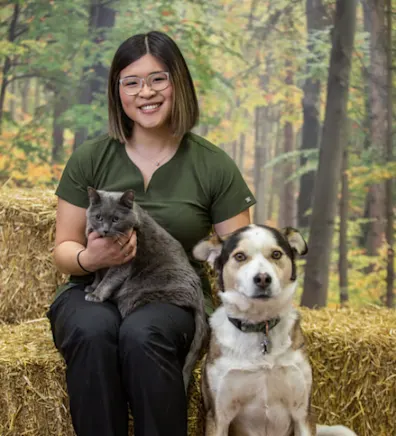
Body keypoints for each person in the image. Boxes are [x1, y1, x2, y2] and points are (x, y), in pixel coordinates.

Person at [48, 30, 256, 436]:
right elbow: (63, 249)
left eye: (158, 78)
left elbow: (242, 258)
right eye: (132, 82)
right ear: (117, 92)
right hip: (93, 284)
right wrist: (90, 260)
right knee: (92, 332)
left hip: (166, 292)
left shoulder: (212, 165)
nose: (146, 92)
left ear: (178, 83)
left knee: (143, 334)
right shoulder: (90, 158)